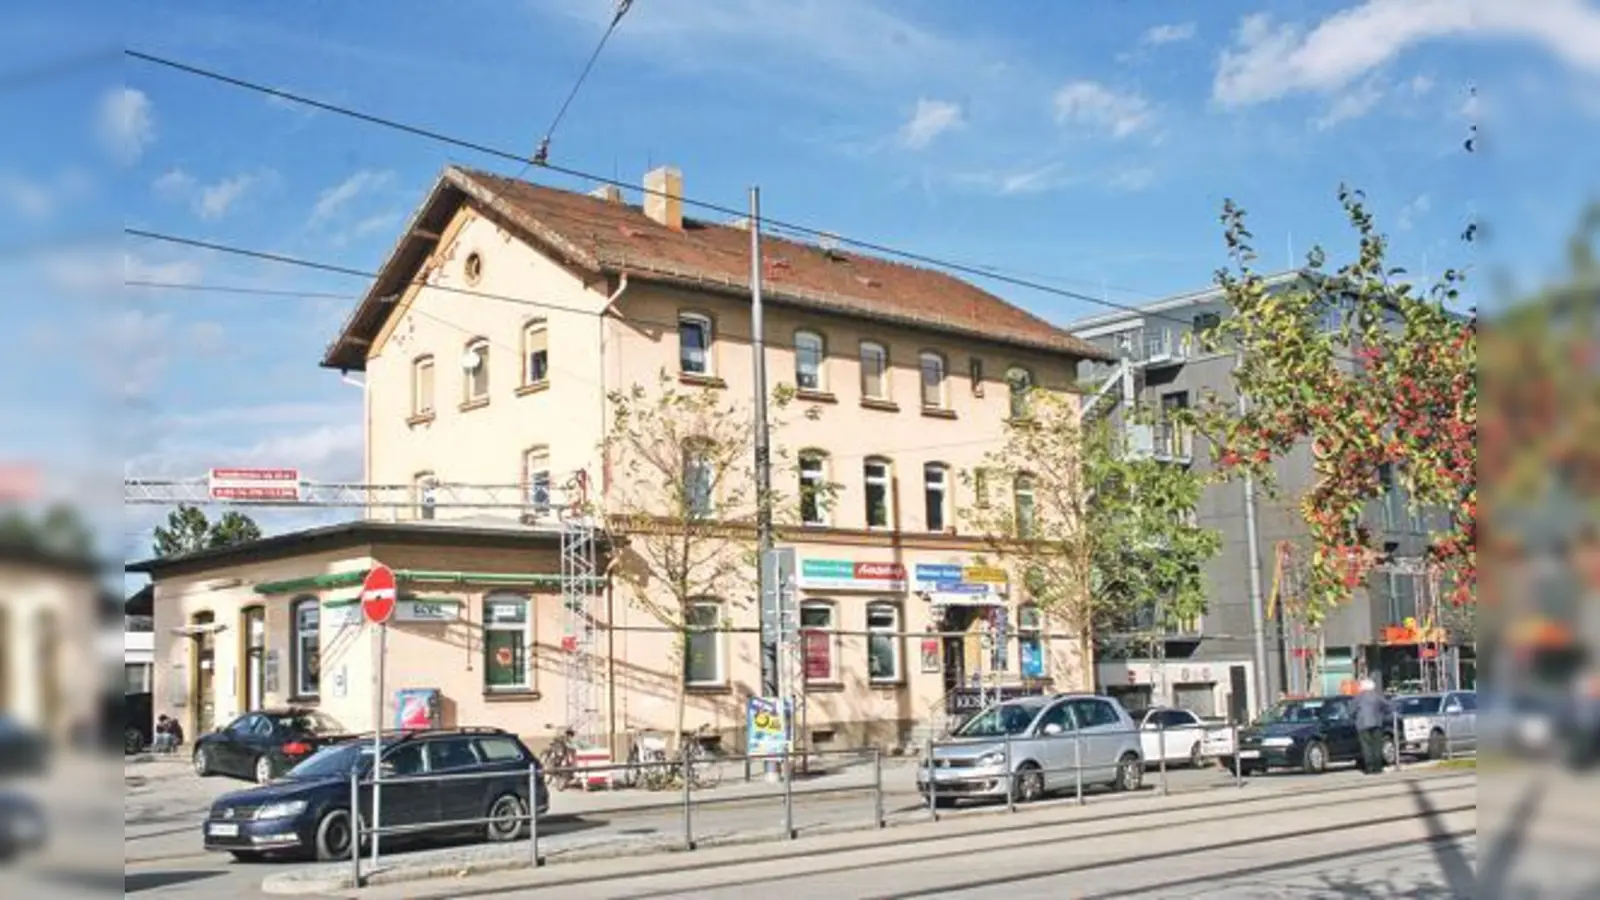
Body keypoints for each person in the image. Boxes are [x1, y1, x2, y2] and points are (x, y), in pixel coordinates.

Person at [1353, 677, 1392, 774]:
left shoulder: (1358, 697)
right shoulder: (1377, 696)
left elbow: (1351, 710)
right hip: (1377, 723)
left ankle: (1369, 768)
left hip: (1362, 725)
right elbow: (1387, 706)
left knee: (1366, 746)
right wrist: (1382, 714)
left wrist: (1355, 717)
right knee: (1377, 746)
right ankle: (1378, 767)